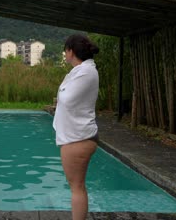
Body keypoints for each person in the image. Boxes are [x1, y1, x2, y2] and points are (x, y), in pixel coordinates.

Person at [53, 34, 100, 220]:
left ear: (71, 51)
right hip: (76, 136)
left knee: (77, 187)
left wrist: (61, 95)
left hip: (78, 138)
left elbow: (68, 99)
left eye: (66, 51)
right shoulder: (81, 70)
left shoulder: (86, 71)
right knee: (78, 186)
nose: (65, 54)